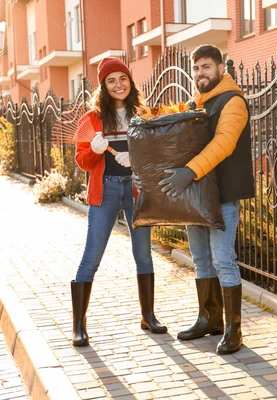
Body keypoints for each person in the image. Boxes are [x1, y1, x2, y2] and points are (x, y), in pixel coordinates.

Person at [156, 44, 254, 354]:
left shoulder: (233, 102)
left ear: (221, 69)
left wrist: (189, 171)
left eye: (207, 67)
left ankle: (233, 330)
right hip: (195, 196)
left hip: (222, 194)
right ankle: (209, 319)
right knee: (201, 260)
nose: (201, 73)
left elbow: (224, 143)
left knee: (223, 259)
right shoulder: (193, 104)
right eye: (196, 68)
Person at [71, 57, 167, 347]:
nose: (118, 85)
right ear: (103, 86)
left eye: (122, 78)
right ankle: (78, 325)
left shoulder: (143, 114)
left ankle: (148, 316)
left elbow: (158, 152)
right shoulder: (91, 119)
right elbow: (82, 161)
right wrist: (96, 151)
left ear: (130, 81)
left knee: (143, 254)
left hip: (137, 190)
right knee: (92, 256)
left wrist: (135, 159)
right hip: (106, 191)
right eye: (111, 80)